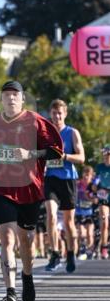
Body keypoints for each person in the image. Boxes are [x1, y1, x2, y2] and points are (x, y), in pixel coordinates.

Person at [0, 80, 63, 301]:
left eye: (15, 94)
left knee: (26, 241)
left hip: (30, 188)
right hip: (1, 186)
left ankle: (27, 276)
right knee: (6, 238)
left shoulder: (35, 121)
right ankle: (10, 292)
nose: (11, 98)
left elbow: (56, 151)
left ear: (22, 99)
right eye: (6, 94)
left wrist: (31, 153)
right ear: (1, 99)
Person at [43, 99, 85, 274]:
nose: (57, 116)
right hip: (50, 178)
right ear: (50, 114)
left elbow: (82, 158)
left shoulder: (72, 133)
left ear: (65, 114)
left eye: (60, 113)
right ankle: (54, 253)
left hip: (67, 178)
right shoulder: (45, 133)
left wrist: (65, 156)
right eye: (54, 113)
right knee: (51, 215)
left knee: (68, 222)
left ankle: (70, 254)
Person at [93, 145, 110, 259]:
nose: (107, 157)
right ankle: (104, 247)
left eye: (108, 155)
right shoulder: (99, 167)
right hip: (104, 197)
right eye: (105, 155)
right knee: (104, 221)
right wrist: (96, 186)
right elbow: (95, 184)